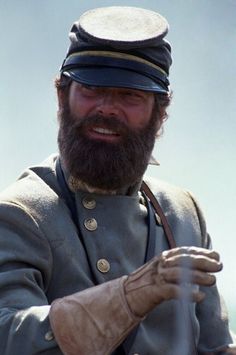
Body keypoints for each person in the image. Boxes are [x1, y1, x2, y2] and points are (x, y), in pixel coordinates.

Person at [0, 6, 235, 355]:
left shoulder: (183, 213)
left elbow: (214, 347)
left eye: (130, 96)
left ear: (160, 112)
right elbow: (8, 336)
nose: (107, 109)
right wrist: (129, 295)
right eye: (92, 90)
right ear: (62, 95)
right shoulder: (22, 214)